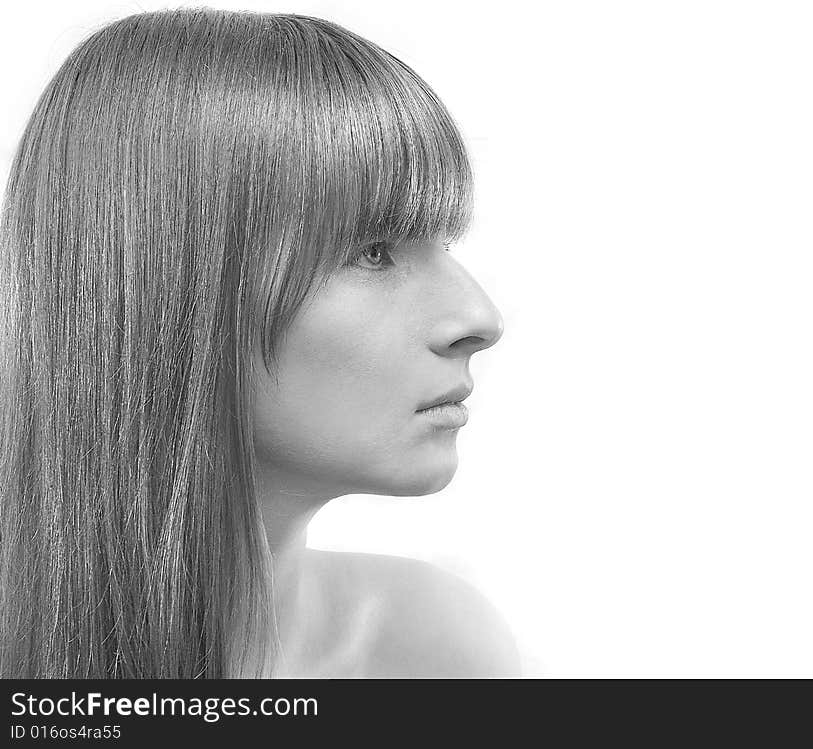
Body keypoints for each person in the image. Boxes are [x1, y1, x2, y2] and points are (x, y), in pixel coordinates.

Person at [0, 7, 518, 678]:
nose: (479, 316)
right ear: (167, 280)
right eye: (375, 251)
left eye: (443, 242)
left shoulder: (438, 651)